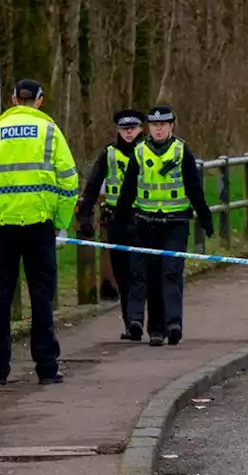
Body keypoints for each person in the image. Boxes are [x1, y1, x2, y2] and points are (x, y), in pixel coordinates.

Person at [0, 79, 77, 385]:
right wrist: (61, 220)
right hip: (40, 226)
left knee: (0, 299)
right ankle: (46, 368)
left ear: (14, 99)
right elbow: (68, 180)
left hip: (2, 228)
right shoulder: (50, 132)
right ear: (39, 100)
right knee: (42, 298)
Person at [115, 105, 214, 346]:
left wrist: (205, 217)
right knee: (151, 277)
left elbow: (194, 189)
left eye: (163, 125)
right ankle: (156, 330)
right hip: (146, 224)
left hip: (175, 223)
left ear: (171, 126)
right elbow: (128, 192)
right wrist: (119, 222)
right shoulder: (139, 152)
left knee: (171, 273)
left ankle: (174, 324)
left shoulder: (181, 152)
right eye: (155, 125)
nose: (159, 129)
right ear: (149, 127)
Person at [75, 109, 145, 338]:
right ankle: (130, 323)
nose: (128, 133)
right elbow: (94, 185)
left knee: (137, 271)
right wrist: (85, 216)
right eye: (124, 129)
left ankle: (136, 319)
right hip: (115, 220)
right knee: (122, 273)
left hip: (142, 218)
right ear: (118, 130)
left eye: (132, 129)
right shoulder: (109, 154)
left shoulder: (149, 151)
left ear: (141, 129)